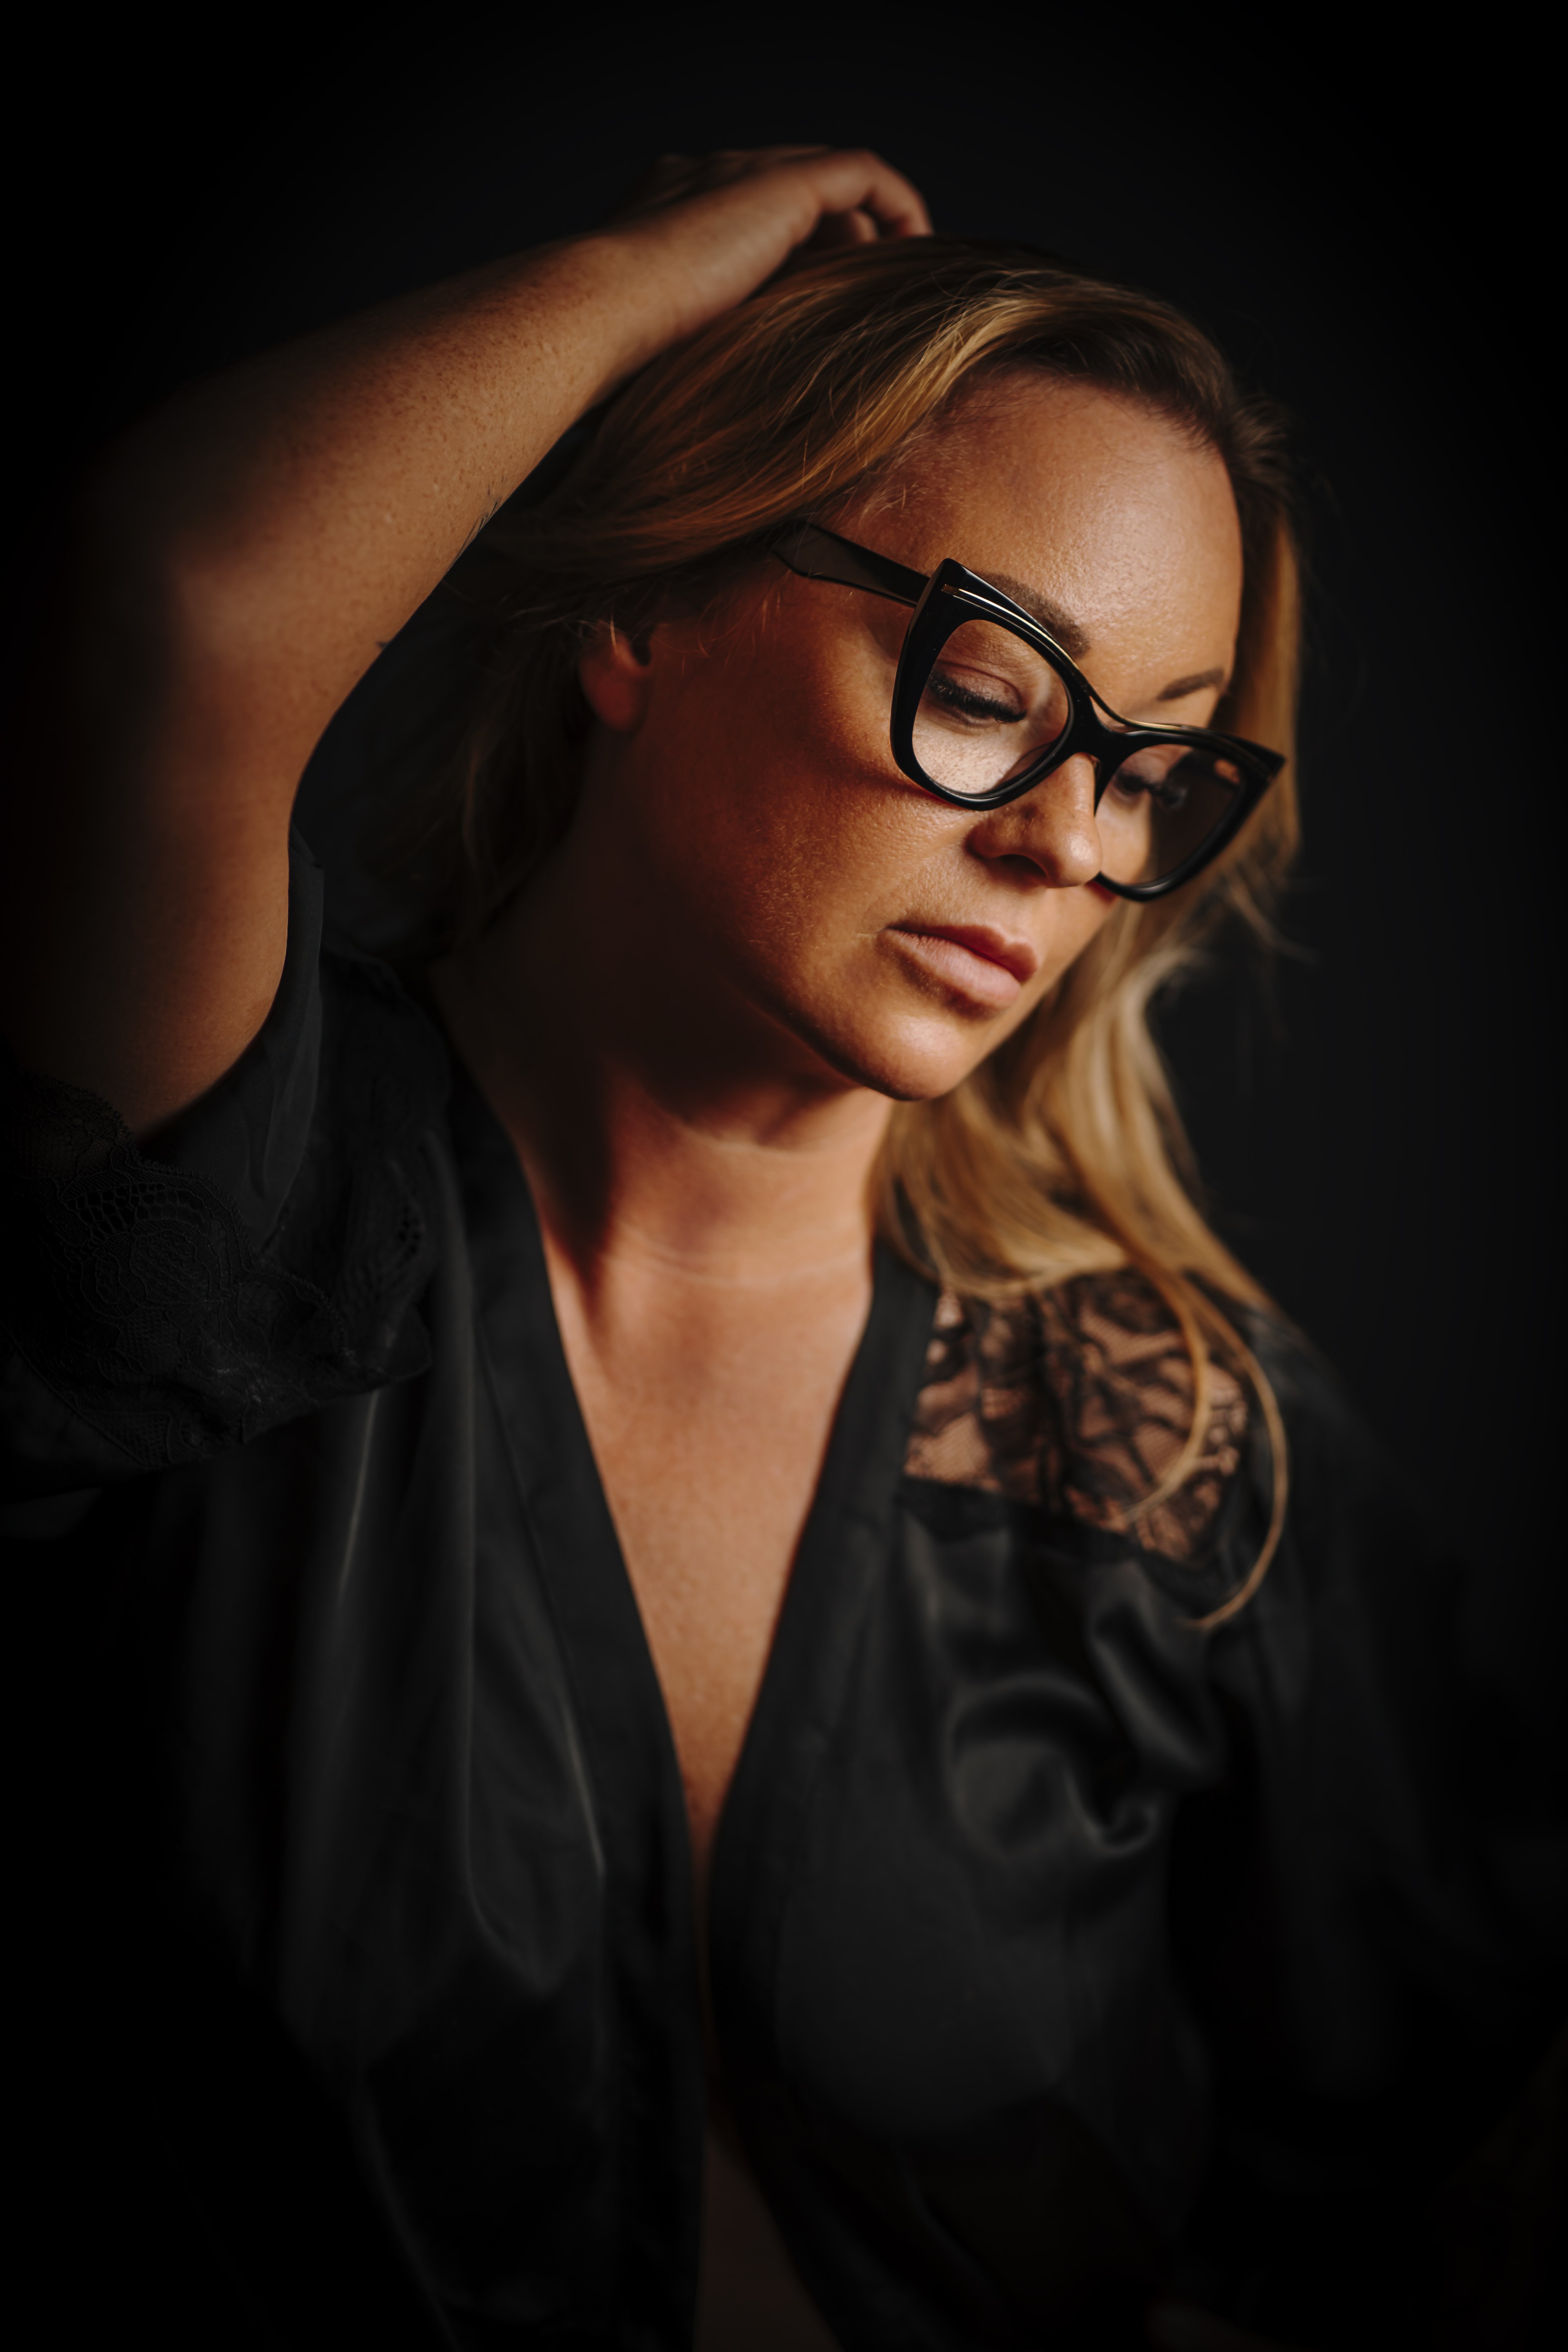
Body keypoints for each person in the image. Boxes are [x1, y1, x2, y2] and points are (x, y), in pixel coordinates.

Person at [0, 148, 1559, 2351]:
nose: (1065, 840)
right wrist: (650, 273)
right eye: (993, 685)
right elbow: (174, 604)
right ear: (648, 614)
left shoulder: (1166, 1442)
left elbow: (1467, 2133)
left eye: (1148, 772)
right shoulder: (256, 1203)